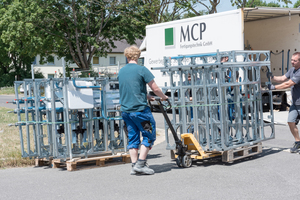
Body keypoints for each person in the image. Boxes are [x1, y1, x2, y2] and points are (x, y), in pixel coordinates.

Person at [118, 45, 168, 175]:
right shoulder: (142, 70)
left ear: (127, 56)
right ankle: (141, 164)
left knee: (133, 137)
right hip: (140, 111)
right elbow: (155, 88)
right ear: (138, 56)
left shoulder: (122, 71)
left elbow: (132, 89)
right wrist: (163, 97)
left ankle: (134, 166)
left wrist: (147, 96)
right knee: (149, 134)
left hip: (126, 111)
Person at [267, 52, 300, 153]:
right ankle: (298, 142)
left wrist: (274, 87)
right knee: (290, 122)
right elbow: (282, 78)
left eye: (295, 60)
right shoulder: (292, 70)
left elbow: (288, 83)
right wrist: (272, 77)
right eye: (291, 60)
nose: (292, 62)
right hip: (295, 104)